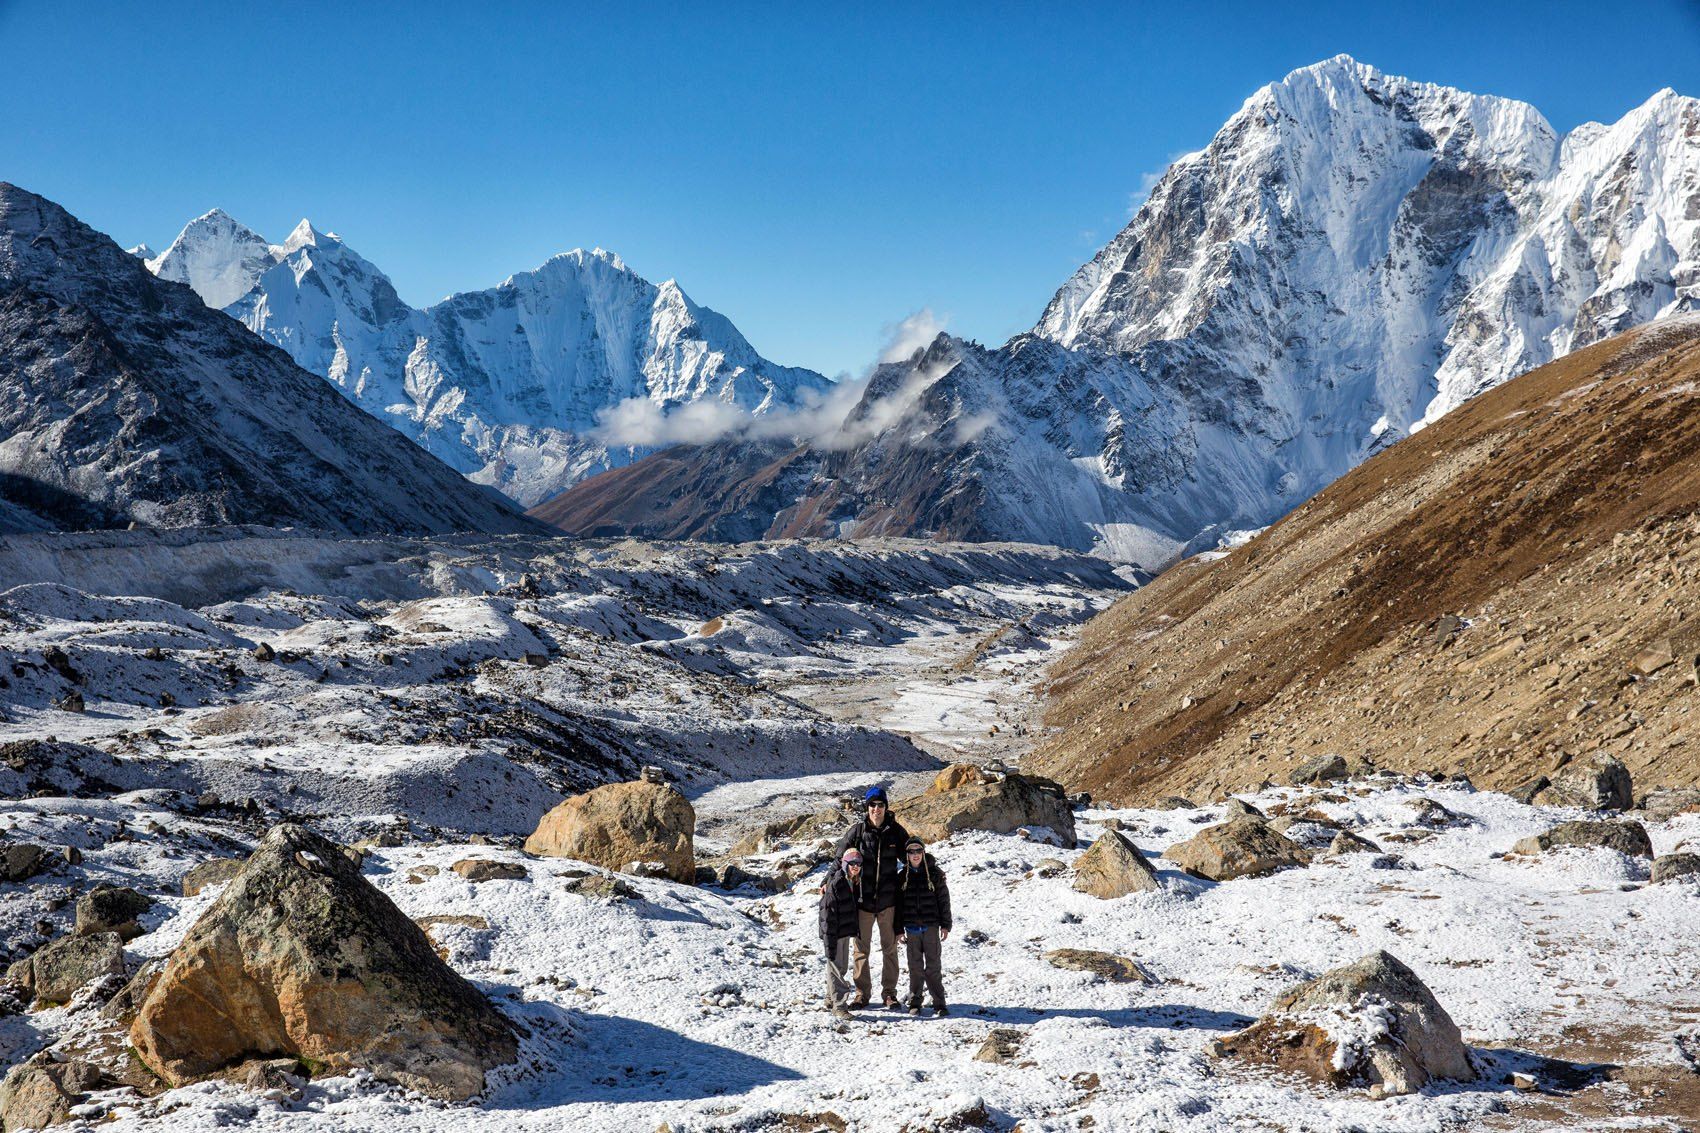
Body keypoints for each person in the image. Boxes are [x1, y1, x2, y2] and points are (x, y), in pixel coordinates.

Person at [834, 786, 909, 1008]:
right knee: (861, 950)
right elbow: (840, 858)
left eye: (881, 805)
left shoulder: (895, 831)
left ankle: (889, 993)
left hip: (888, 903)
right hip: (863, 902)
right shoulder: (857, 832)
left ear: (886, 807)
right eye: (872, 805)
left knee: (890, 949)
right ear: (867, 808)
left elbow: (912, 855)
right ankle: (862, 994)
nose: (877, 809)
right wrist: (827, 881)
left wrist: (931, 870)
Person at [896, 837, 951, 1016]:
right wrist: (898, 930)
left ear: (923, 852)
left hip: (931, 927)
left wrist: (946, 925)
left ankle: (939, 1003)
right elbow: (897, 906)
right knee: (915, 967)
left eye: (918, 850)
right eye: (911, 851)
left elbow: (944, 900)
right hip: (911, 929)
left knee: (933, 967)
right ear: (907, 855)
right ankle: (915, 1002)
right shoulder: (902, 876)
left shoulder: (935, 873)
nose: (915, 855)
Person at [818, 848, 864, 1018]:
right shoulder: (836, 884)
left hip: (843, 931)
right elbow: (827, 916)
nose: (855, 866)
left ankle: (830, 998)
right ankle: (839, 1007)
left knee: (840, 966)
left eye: (858, 863)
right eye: (852, 863)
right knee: (837, 967)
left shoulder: (852, 881)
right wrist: (829, 941)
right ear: (844, 864)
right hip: (834, 932)